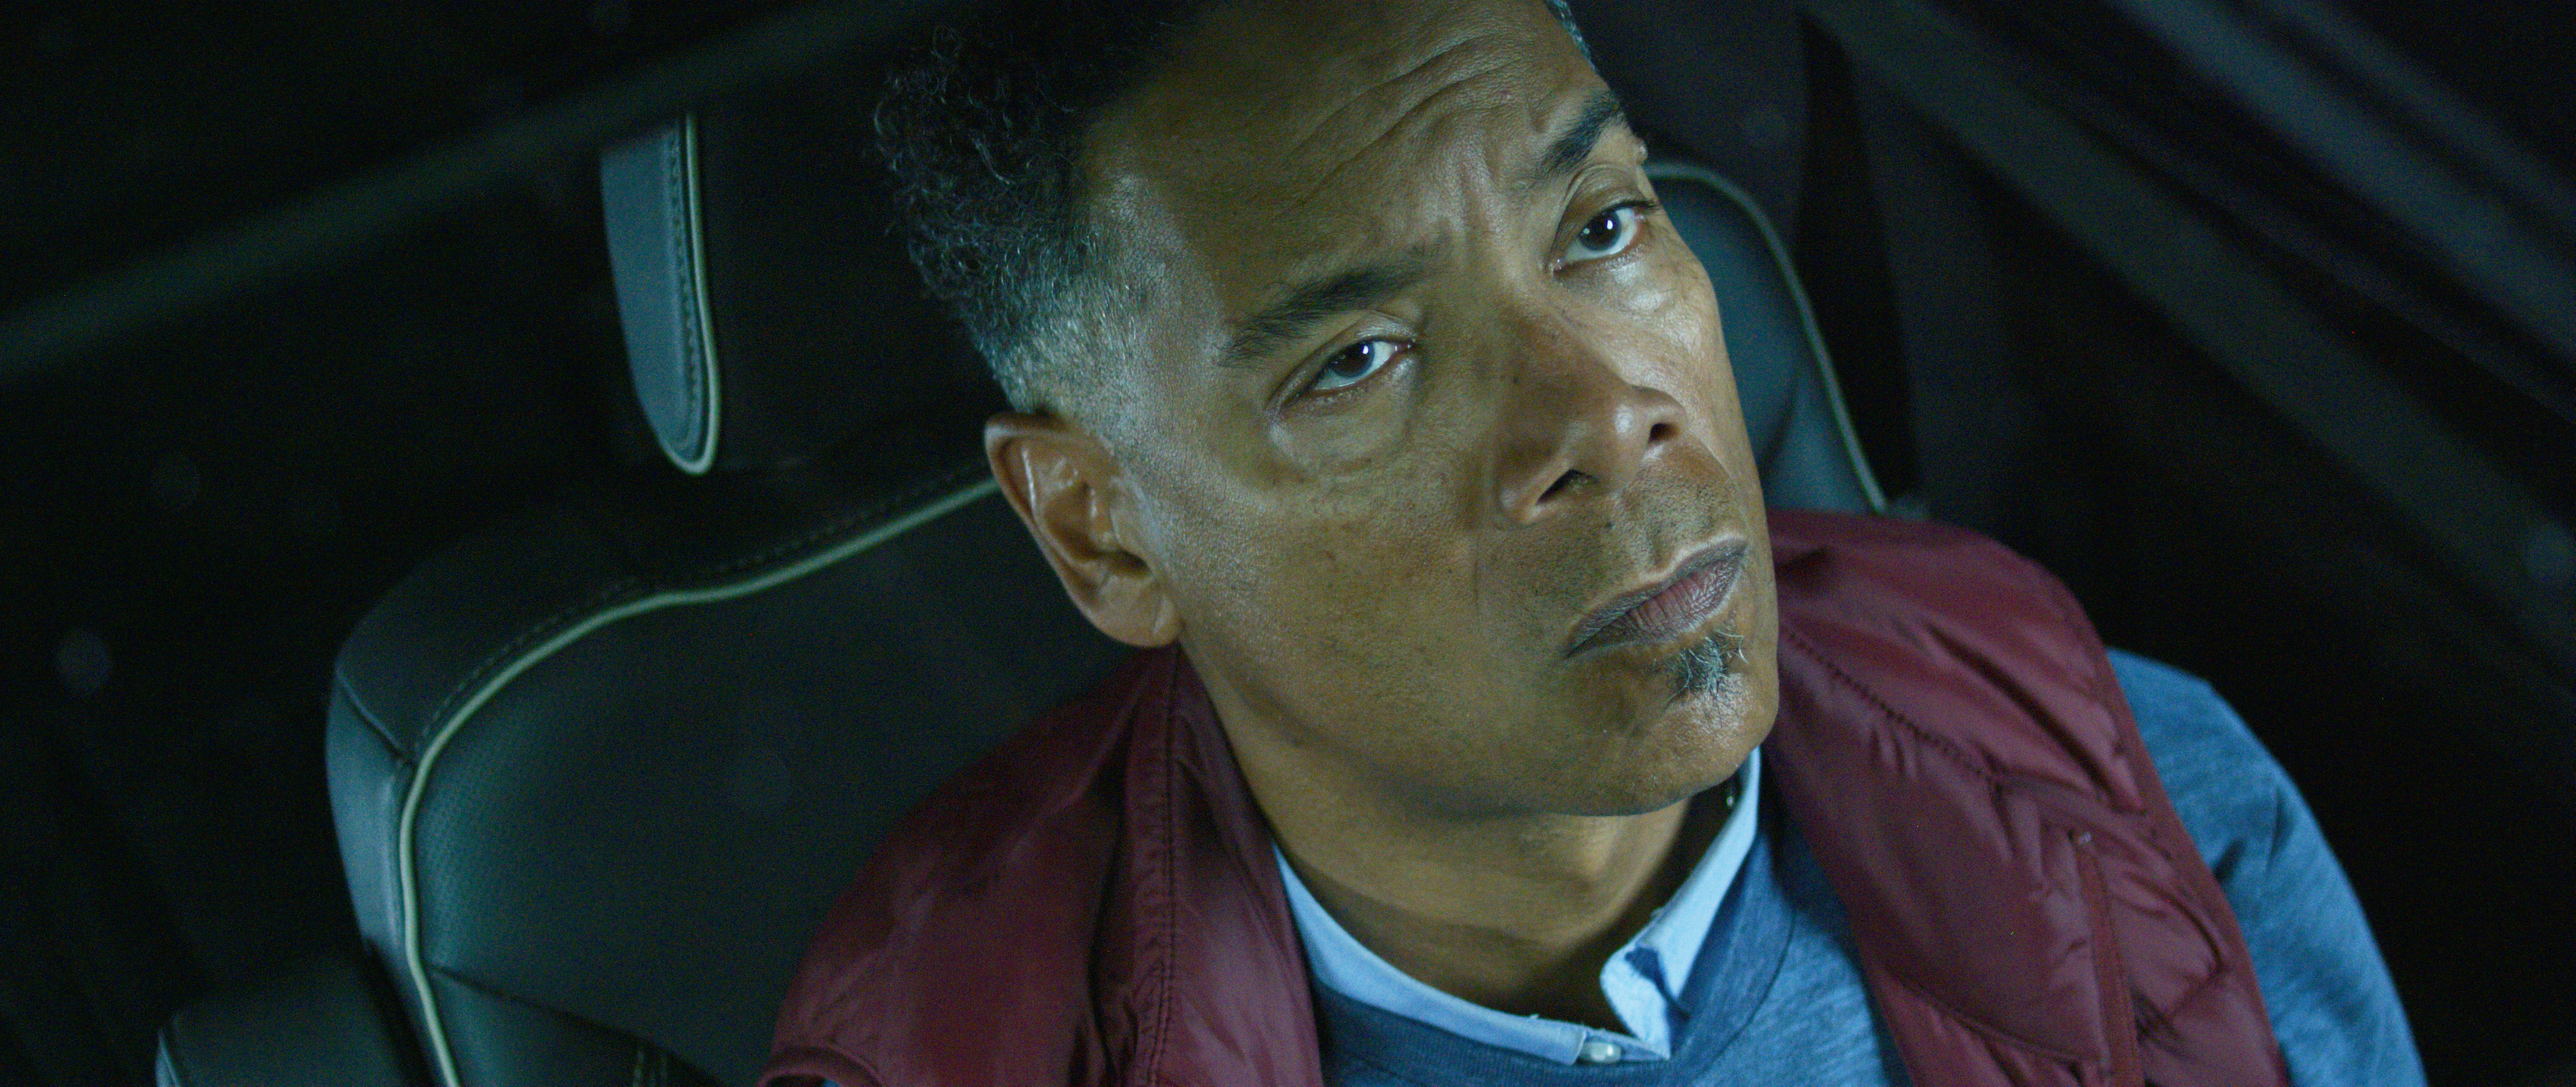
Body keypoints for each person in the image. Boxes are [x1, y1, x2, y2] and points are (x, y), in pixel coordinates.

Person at [758, 0, 2424, 1083]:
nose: (1606, 418)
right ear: (1105, 533)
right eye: (1360, 360)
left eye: (1604, 226)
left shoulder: (2116, 783)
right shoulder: (949, 1051)